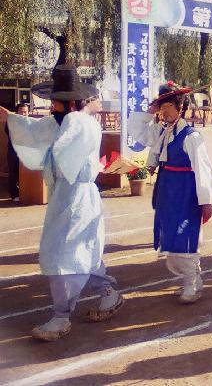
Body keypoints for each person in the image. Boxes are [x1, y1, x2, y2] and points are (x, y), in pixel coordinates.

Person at [3, 65, 124, 340]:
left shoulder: (80, 123)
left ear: (70, 102)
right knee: (80, 252)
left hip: (79, 197)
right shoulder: (64, 122)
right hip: (65, 196)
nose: (51, 106)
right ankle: (108, 292)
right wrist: (11, 119)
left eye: (55, 101)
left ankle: (61, 316)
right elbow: (36, 129)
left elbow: (55, 134)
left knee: (61, 255)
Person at [129, 82, 212, 304]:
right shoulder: (161, 131)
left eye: (167, 105)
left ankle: (191, 284)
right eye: (161, 106)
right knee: (170, 236)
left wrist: (206, 201)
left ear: (180, 107)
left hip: (185, 191)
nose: (163, 111)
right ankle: (193, 277)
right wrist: (149, 111)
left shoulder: (191, 137)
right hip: (167, 189)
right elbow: (137, 132)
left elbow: (203, 170)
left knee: (184, 236)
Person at [4, 102, 28, 201]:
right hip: (13, 152)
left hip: (26, 152)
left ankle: (25, 192)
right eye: (21, 112)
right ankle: (14, 195)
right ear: (16, 112)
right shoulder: (11, 122)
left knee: (25, 173)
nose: (23, 114)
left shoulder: (30, 122)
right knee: (13, 173)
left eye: (25, 112)